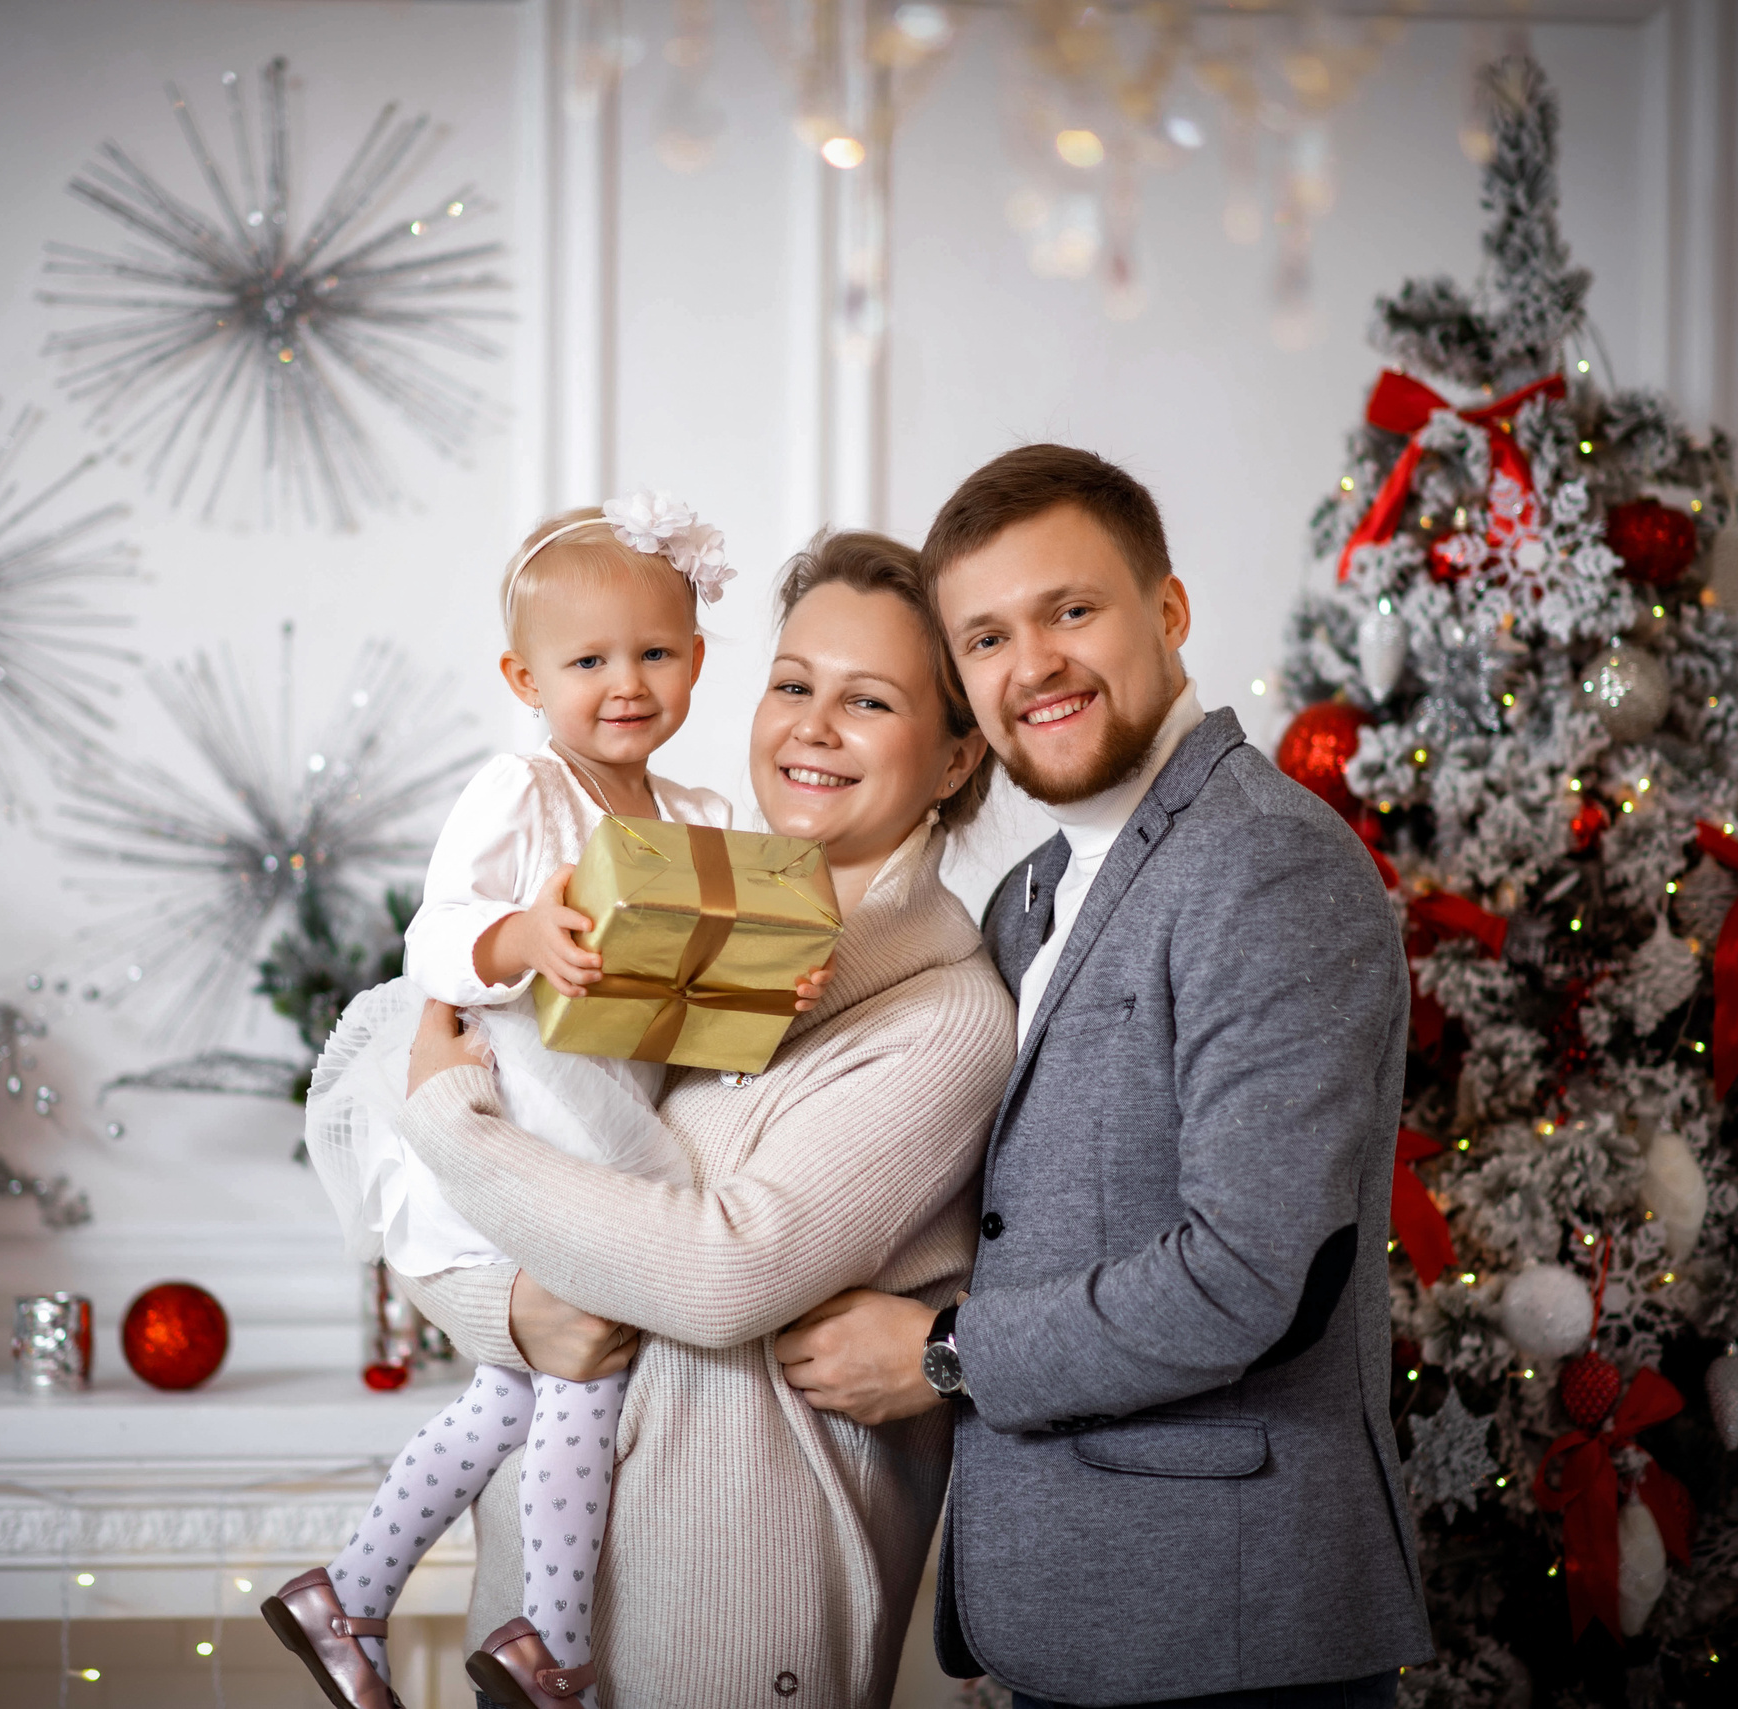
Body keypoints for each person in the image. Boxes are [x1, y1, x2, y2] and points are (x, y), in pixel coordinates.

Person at [776, 446, 1434, 1709]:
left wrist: (944, 1353)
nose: (1033, 665)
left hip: (1226, 1627)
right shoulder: (1028, 899)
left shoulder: (1266, 865)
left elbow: (1258, 1274)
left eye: (1069, 610)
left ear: (1168, 612)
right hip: (1071, 1618)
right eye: (985, 637)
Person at [394, 530, 1017, 1709]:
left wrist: (447, 1121)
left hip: (733, 1617)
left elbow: (724, 1270)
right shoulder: (668, 906)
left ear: (952, 757)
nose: (810, 727)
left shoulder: (944, 1017)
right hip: (536, 1613)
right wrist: (512, 1308)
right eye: (792, 684)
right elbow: (512, 1201)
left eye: (868, 700)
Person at [269, 494, 829, 1709]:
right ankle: (554, 1645)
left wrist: (776, 978)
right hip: (526, 1112)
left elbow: (699, 996)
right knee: (587, 1369)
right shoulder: (521, 789)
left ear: (693, 660)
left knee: (508, 1391)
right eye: (588, 660)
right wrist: (522, 929)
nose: (625, 683)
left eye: (657, 653)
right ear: (526, 674)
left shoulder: (695, 816)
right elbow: (434, 939)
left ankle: (347, 1593)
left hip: (613, 1110)